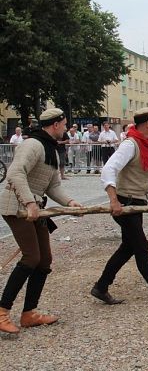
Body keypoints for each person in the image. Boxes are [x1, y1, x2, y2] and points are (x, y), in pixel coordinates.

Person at [91, 108, 148, 304]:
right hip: (125, 204)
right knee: (141, 247)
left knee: (128, 247)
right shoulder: (130, 145)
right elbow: (108, 169)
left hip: (137, 203)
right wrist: (113, 200)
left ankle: (101, 287)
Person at [0, 108, 81, 334]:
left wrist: (70, 202)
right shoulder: (32, 145)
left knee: (44, 260)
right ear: (55, 125)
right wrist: (29, 203)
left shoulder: (51, 150)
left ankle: (29, 314)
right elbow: (15, 173)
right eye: (64, 124)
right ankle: (2, 311)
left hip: (35, 208)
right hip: (17, 206)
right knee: (31, 257)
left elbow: (52, 186)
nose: (65, 128)